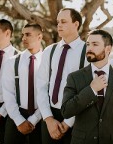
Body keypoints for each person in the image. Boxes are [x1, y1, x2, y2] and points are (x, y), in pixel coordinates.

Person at [61, 29, 113, 144]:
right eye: (88, 44)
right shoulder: (75, 77)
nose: (89, 48)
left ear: (108, 49)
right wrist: (91, 90)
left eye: (95, 44)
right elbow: (66, 111)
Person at [37, 8, 88, 144]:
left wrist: (67, 123)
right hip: (50, 116)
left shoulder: (87, 52)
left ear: (76, 24)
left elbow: (88, 91)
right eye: (58, 21)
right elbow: (41, 86)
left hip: (76, 118)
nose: (59, 25)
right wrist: (48, 119)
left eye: (64, 21)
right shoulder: (49, 51)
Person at [2, 23, 43, 143]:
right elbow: (8, 94)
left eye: (28, 34)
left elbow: (49, 93)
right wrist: (19, 120)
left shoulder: (48, 61)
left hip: (41, 117)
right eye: (23, 35)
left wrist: (34, 119)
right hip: (16, 116)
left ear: (39, 37)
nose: (23, 38)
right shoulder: (12, 62)